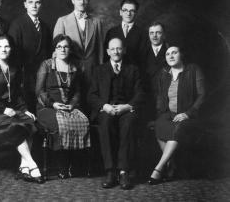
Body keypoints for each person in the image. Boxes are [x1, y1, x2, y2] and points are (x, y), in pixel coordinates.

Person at [0, 34, 44, 184]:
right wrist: (3, 109)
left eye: (6, 46)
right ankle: (32, 164)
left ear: (11, 49)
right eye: (0, 46)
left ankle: (23, 166)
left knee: (30, 121)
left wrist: (24, 110)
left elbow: (17, 94)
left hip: (8, 109)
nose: (3, 49)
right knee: (16, 126)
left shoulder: (13, 68)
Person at [87, 38, 144, 190]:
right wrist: (104, 106)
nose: (116, 52)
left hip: (126, 109)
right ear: (108, 52)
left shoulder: (133, 69)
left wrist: (127, 106)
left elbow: (140, 94)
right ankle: (110, 171)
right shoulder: (99, 70)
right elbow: (91, 95)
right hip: (107, 109)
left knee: (129, 123)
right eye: (112, 49)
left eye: (119, 48)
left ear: (124, 50)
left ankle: (124, 171)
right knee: (105, 123)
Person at [148, 45, 205, 185]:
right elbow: (160, 98)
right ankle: (171, 164)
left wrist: (187, 113)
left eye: (174, 53)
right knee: (159, 124)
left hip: (188, 115)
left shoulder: (193, 70)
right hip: (169, 114)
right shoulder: (164, 73)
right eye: (168, 54)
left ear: (181, 55)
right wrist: (161, 115)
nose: (171, 56)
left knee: (177, 130)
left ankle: (159, 168)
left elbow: (202, 95)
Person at [36, 34, 90, 179]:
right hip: (47, 107)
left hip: (69, 107)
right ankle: (63, 165)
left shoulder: (74, 66)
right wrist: (53, 104)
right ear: (55, 49)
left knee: (82, 121)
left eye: (65, 46)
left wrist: (71, 105)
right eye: (59, 47)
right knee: (62, 123)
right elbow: (39, 91)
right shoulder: (46, 65)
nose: (62, 49)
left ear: (70, 49)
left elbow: (78, 91)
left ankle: (75, 164)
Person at [8, 0, 52, 112]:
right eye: (30, 2)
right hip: (24, 75)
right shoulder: (17, 24)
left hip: (41, 74)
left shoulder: (45, 26)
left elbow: (48, 53)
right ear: (25, 4)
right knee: (27, 108)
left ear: (41, 5)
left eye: (37, 2)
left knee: (41, 107)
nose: (34, 5)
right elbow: (13, 54)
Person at [53, 0, 104, 88]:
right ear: (73, 0)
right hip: (70, 69)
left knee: (91, 100)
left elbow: (100, 50)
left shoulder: (96, 22)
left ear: (88, 1)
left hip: (92, 70)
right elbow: (56, 51)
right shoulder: (62, 21)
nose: (82, 2)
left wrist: (100, 69)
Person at [141, 22, 169, 123]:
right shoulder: (142, 52)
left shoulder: (170, 52)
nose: (154, 36)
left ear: (164, 35)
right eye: (151, 33)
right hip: (146, 94)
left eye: (158, 33)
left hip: (164, 95)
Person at [104, 0, 146, 66]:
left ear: (136, 13)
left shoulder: (143, 34)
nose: (128, 13)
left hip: (135, 73)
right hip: (114, 73)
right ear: (120, 12)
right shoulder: (111, 32)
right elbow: (106, 56)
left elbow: (144, 59)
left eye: (132, 11)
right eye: (125, 10)